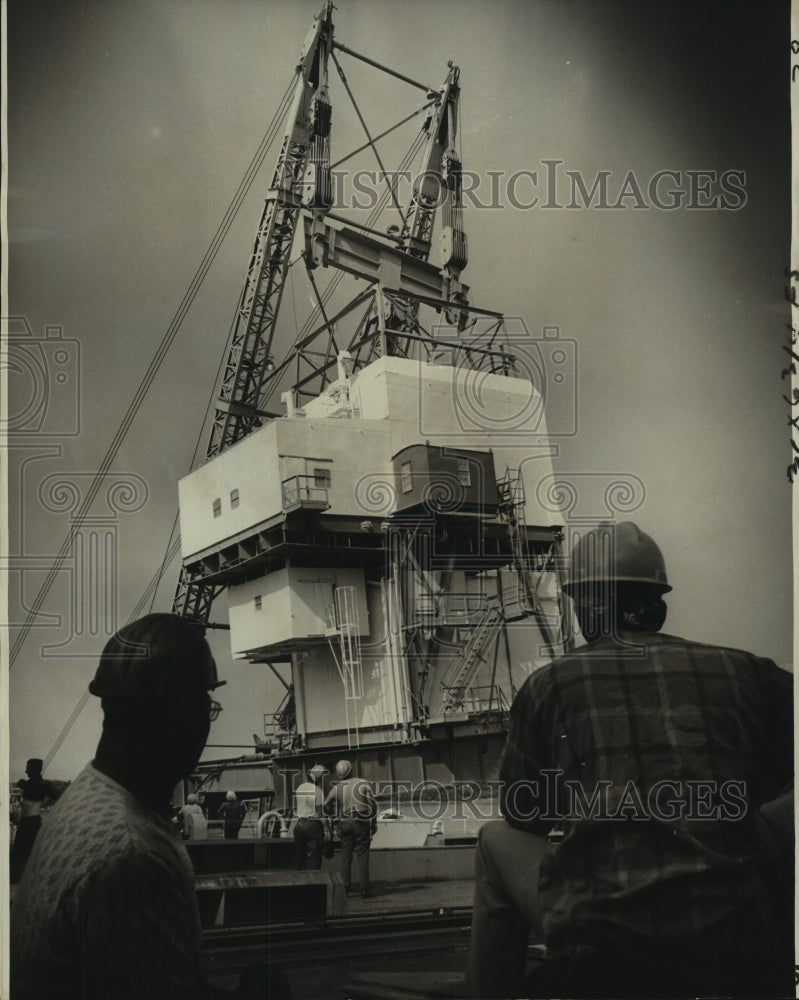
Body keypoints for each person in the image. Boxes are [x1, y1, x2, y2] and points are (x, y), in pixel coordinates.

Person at [466, 522, 794, 999]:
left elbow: (525, 816)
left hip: (602, 939)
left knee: (494, 839)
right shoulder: (748, 669)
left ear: (587, 606)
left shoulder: (548, 685)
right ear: (657, 604)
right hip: (734, 923)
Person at [9, 612, 271, 1000]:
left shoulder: (85, 799)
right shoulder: (133, 855)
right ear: (173, 709)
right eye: (204, 703)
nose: (205, 720)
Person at [324, 759, 377, 898]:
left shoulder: (337, 788)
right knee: (363, 856)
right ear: (351, 770)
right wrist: (374, 822)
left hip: (344, 822)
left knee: (346, 856)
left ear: (339, 774)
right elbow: (372, 804)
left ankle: (345, 888)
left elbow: (325, 804)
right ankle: (364, 889)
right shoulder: (363, 783)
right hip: (361, 821)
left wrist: (332, 815)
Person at [10, 757, 60, 882]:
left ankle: (24, 880)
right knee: (21, 853)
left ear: (34, 769)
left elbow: (58, 796)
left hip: (31, 823)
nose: (26, 771)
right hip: (26, 823)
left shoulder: (41, 784)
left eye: (28, 768)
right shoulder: (37, 784)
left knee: (26, 853)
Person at [292, 764, 329, 870]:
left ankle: (297, 882)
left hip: (299, 825)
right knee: (313, 857)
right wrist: (326, 829)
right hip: (312, 826)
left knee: (299, 856)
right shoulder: (318, 791)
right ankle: (313, 883)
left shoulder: (300, 788)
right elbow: (321, 813)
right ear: (319, 777)